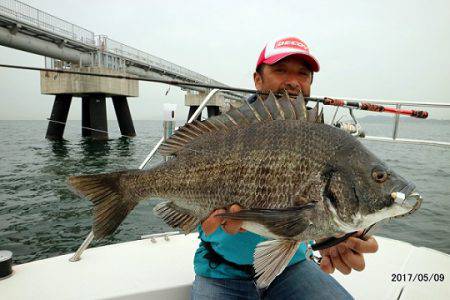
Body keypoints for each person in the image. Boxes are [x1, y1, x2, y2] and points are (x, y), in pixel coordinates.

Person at [191, 36, 378, 300]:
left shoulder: (321, 139)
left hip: (291, 268)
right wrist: (204, 220)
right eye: (280, 70)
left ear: (311, 84)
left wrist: (334, 236)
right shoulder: (228, 132)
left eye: (303, 74)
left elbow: (309, 207)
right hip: (221, 272)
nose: (293, 81)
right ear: (257, 79)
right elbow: (197, 219)